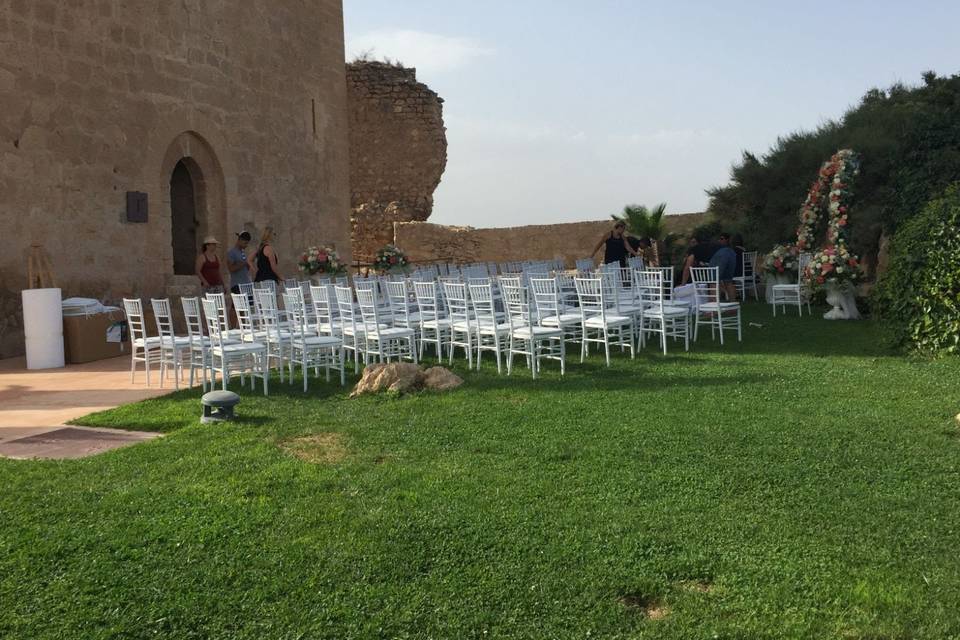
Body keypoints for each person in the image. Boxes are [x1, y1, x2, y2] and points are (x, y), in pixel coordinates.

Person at [709, 233, 738, 301]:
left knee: (714, 281)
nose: (719, 240)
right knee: (728, 281)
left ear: (727, 240)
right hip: (730, 258)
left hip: (722, 261)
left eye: (721, 239)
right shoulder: (731, 251)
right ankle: (733, 304)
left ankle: (714, 307)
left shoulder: (722, 251)